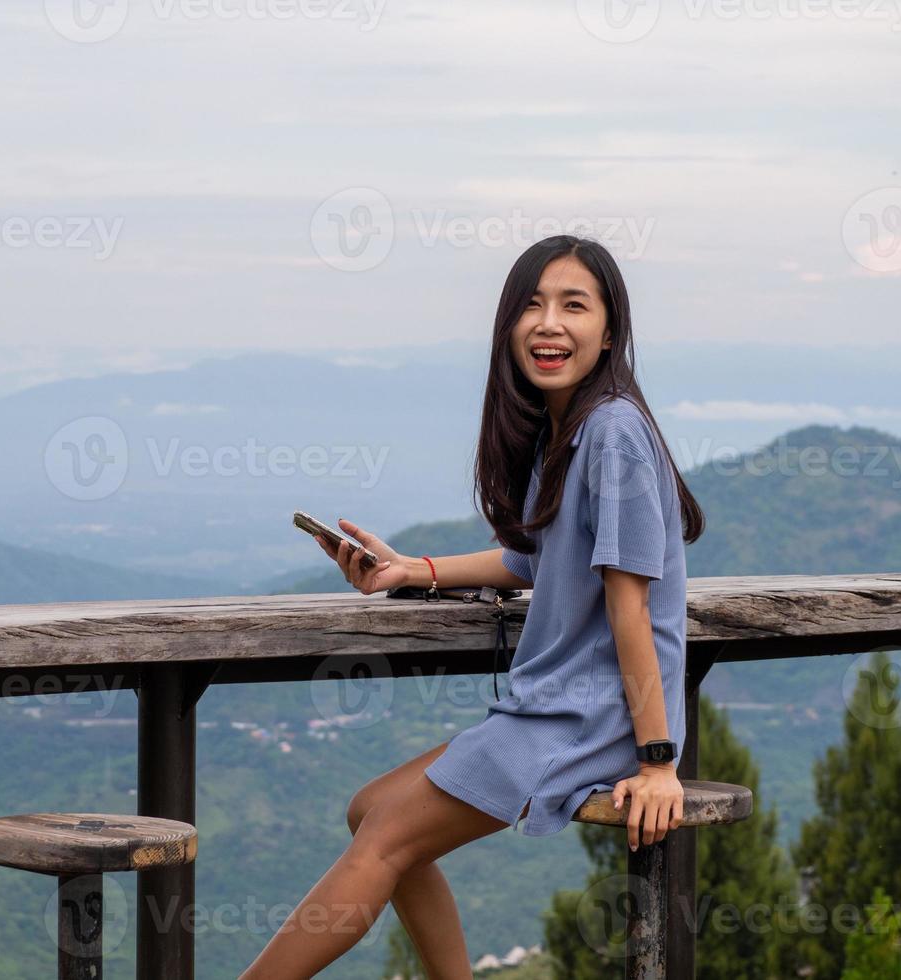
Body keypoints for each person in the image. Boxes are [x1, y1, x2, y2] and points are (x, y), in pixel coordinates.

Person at [240, 235, 706, 979]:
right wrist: (408, 570)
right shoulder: (570, 427)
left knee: (385, 836)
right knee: (370, 811)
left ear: (609, 330)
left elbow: (631, 612)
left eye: (572, 306)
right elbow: (529, 559)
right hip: (554, 706)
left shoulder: (613, 430)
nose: (547, 323)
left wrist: (658, 763)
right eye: (530, 305)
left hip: (590, 718)